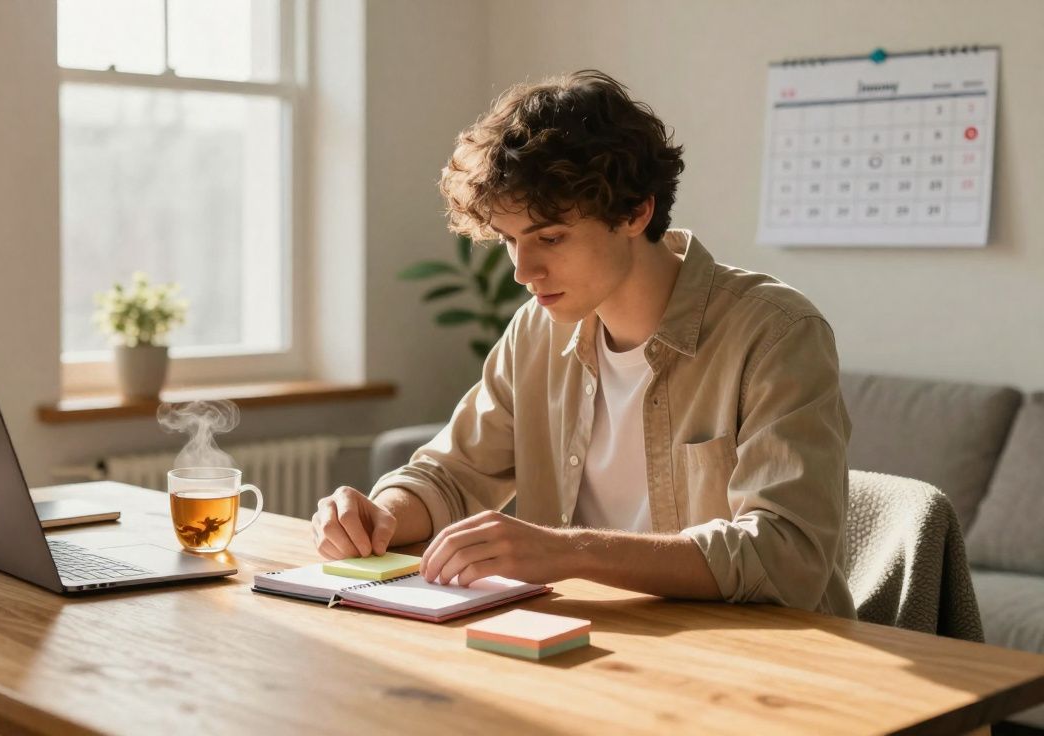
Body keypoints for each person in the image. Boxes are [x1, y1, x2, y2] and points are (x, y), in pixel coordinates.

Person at [311, 70, 855, 617]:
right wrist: (380, 514)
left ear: (635, 211)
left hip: (762, 662)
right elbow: (450, 475)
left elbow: (786, 556)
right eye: (509, 241)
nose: (523, 271)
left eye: (549, 238)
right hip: (592, 645)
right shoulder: (536, 331)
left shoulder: (777, 333)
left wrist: (567, 552)